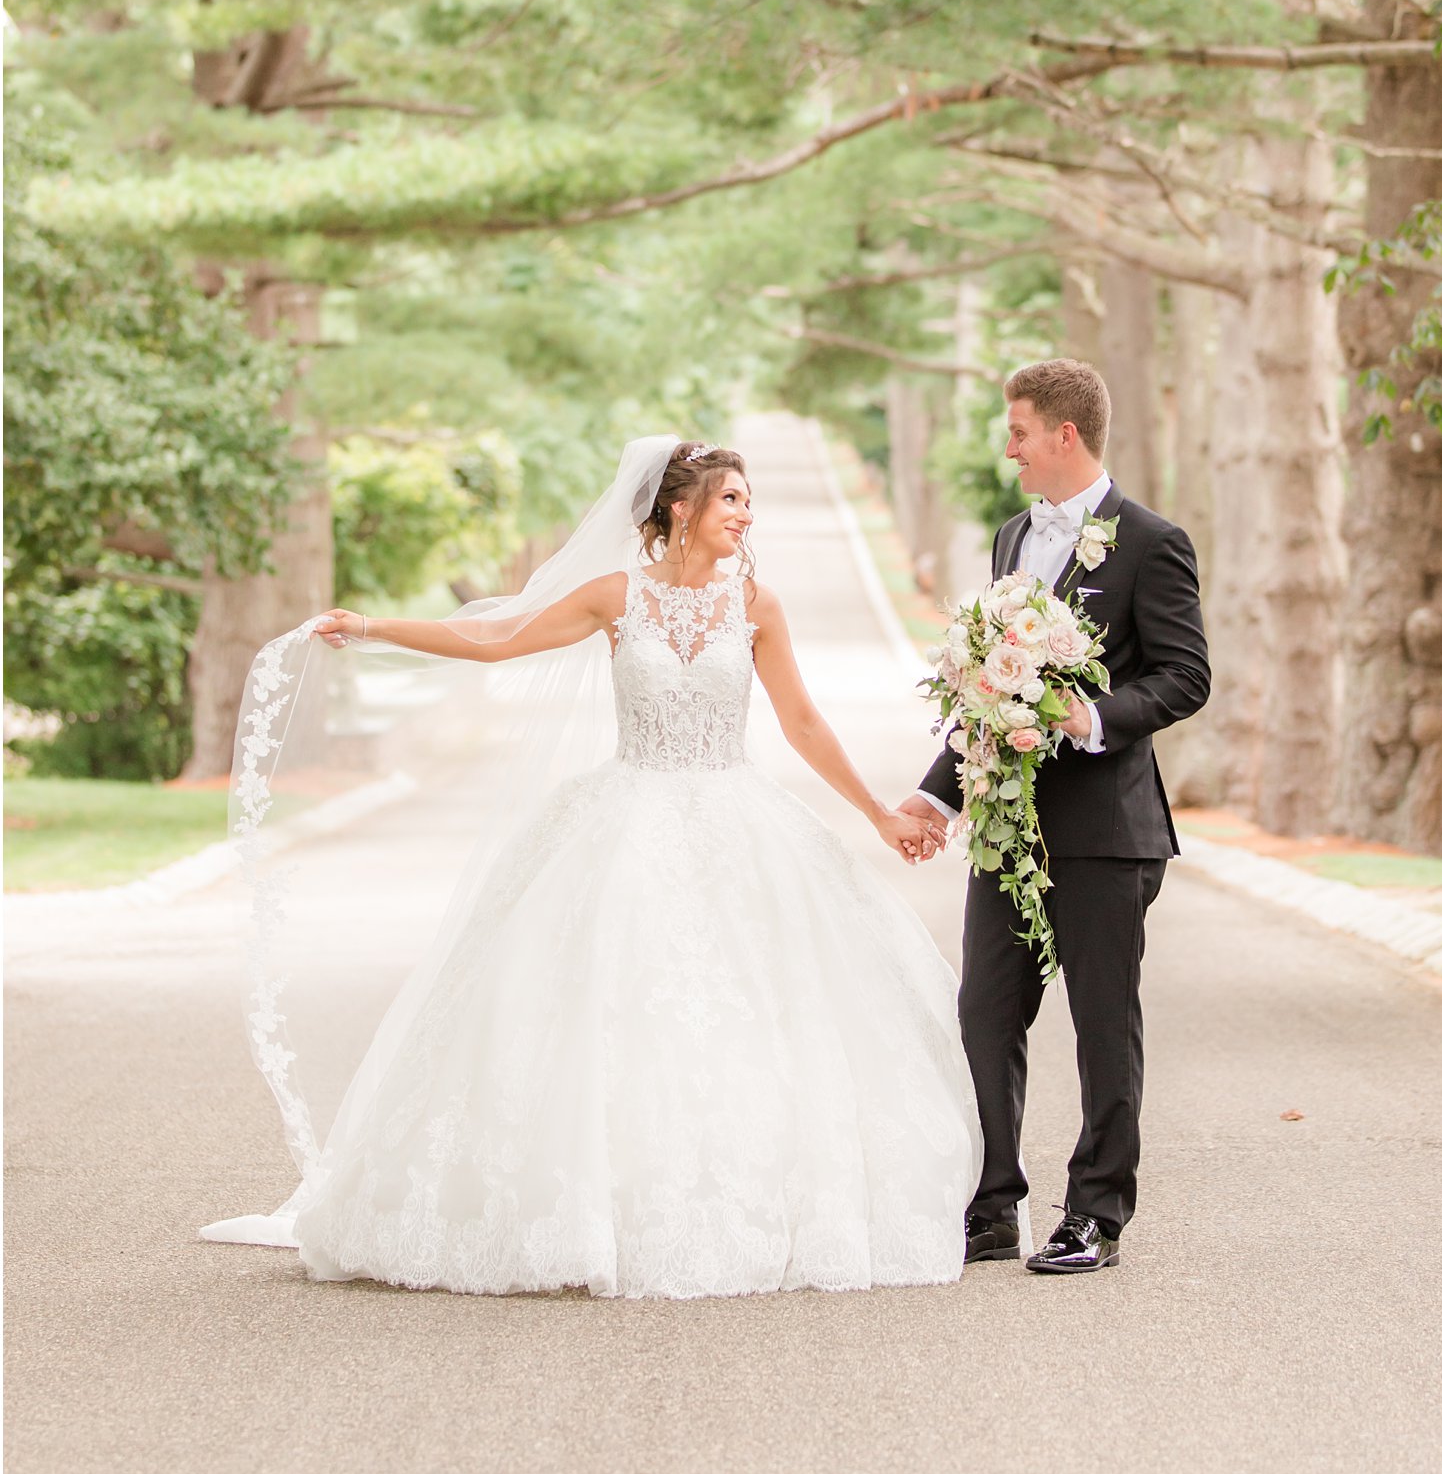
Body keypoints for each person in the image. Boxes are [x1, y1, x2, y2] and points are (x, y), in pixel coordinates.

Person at [203, 438, 981, 1300]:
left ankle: (747, 1201)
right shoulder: (616, 598)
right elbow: (496, 639)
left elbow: (799, 719)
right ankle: (583, 1210)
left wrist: (876, 812)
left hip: (736, 820)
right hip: (625, 820)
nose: (746, 515)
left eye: (747, 501)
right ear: (680, 508)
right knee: (598, 1004)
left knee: (751, 1008)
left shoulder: (757, 604)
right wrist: (375, 625)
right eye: (732, 499)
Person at [900, 361, 1210, 1276]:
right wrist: (934, 791)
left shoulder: (1153, 542)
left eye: (1020, 430)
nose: (1009, 446)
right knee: (985, 1014)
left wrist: (1092, 717)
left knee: (1102, 1024)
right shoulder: (1009, 539)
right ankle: (995, 1203)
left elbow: (1186, 675)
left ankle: (1097, 1214)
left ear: (1064, 435)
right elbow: (991, 693)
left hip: (1108, 830)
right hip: (1008, 826)